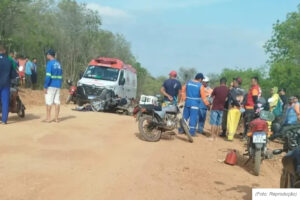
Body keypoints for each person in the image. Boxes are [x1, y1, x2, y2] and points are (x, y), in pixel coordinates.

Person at [44, 49, 63, 122]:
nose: (46, 55)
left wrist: (45, 86)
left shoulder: (50, 63)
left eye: (47, 54)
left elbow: (48, 76)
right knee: (57, 102)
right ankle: (56, 118)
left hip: (51, 85)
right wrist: (59, 84)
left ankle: (48, 118)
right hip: (57, 85)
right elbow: (61, 76)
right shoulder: (58, 64)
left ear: (49, 55)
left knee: (49, 102)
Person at [0, 45, 17, 124]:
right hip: (5, 83)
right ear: (4, 51)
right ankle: (4, 120)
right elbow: (13, 75)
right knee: (5, 101)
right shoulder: (9, 61)